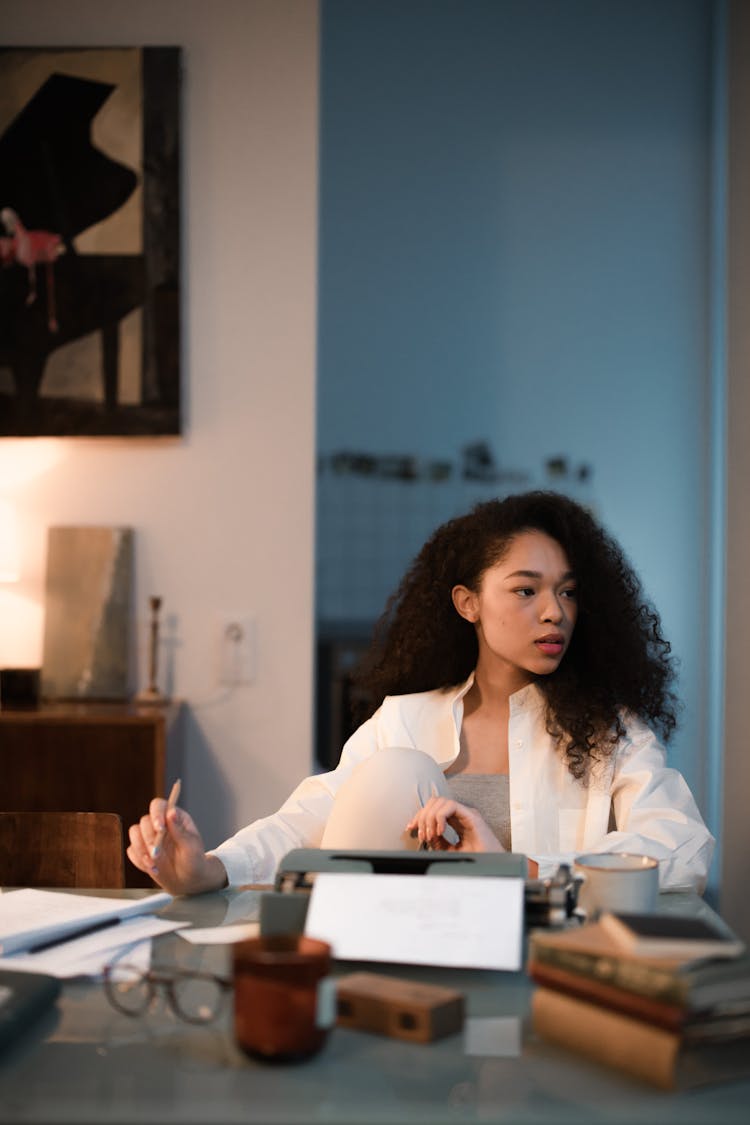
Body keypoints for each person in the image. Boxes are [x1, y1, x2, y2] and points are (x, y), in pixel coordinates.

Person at [127, 490, 714, 895]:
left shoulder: (609, 729)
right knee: (395, 771)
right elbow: (308, 819)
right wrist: (208, 869)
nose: (554, 613)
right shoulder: (405, 720)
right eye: (525, 591)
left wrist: (525, 870)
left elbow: (683, 847)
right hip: (407, 955)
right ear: (468, 604)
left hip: (547, 969)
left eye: (566, 592)